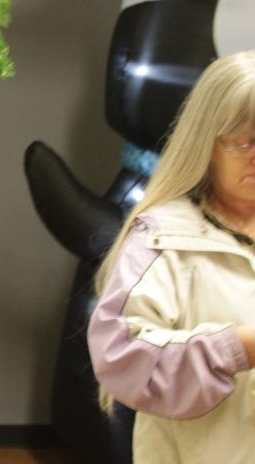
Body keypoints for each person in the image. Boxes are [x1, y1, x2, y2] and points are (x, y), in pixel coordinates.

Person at [88, 51, 255, 464]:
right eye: (244, 140)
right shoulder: (162, 239)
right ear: (206, 141)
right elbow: (120, 357)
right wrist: (238, 347)